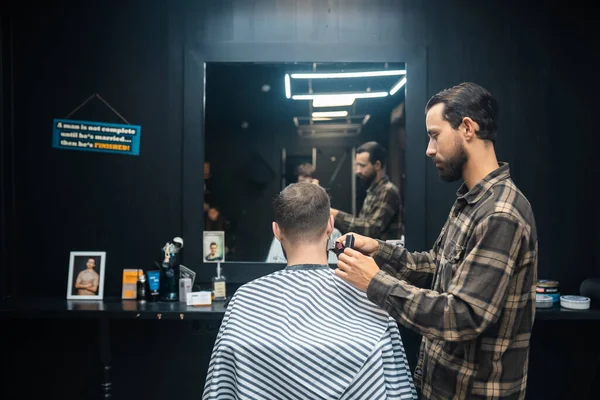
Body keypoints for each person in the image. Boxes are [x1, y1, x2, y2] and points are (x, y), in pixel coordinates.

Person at [334, 82, 538, 399]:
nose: (429, 149)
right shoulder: (471, 201)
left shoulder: (501, 213)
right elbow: (435, 266)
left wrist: (375, 282)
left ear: (467, 128)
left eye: (434, 135)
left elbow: (462, 315)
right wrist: (378, 249)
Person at [203, 182, 417, 400]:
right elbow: (396, 387)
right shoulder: (369, 297)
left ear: (276, 231)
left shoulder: (246, 298)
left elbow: (220, 388)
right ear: (330, 226)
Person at [266, 162, 341, 263]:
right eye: (302, 181)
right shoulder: (281, 235)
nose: (305, 185)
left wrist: (316, 192)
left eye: (309, 181)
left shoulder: (335, 235)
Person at [330, 141, 404, 240]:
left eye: (362, 166)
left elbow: (371, 229)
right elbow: (362, 224)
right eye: (357, 165)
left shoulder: (388, 191)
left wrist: (336, 215)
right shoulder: (372, 191)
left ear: (377, 165)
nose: (358, 170)